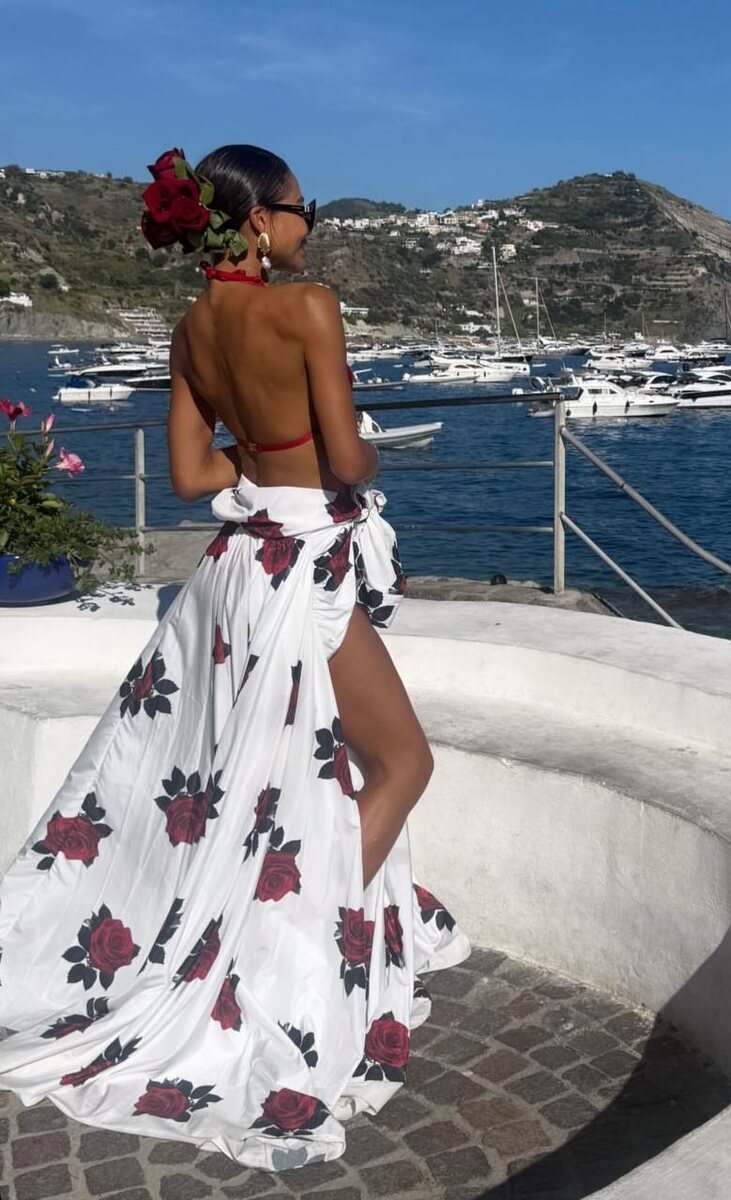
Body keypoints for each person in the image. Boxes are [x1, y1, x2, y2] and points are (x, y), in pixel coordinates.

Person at [0, 144, 470, 1171]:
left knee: (263, 784)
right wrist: (348, 451)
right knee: (402, 763)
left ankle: (265, 941)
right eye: (305, 210)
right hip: (306, 569)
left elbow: (185, 473)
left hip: (236, 571)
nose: (310, 229)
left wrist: (258, 456)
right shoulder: (307, 308)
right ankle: (297, 961)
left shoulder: (190, 328)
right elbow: (346, 459)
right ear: (259, 219)